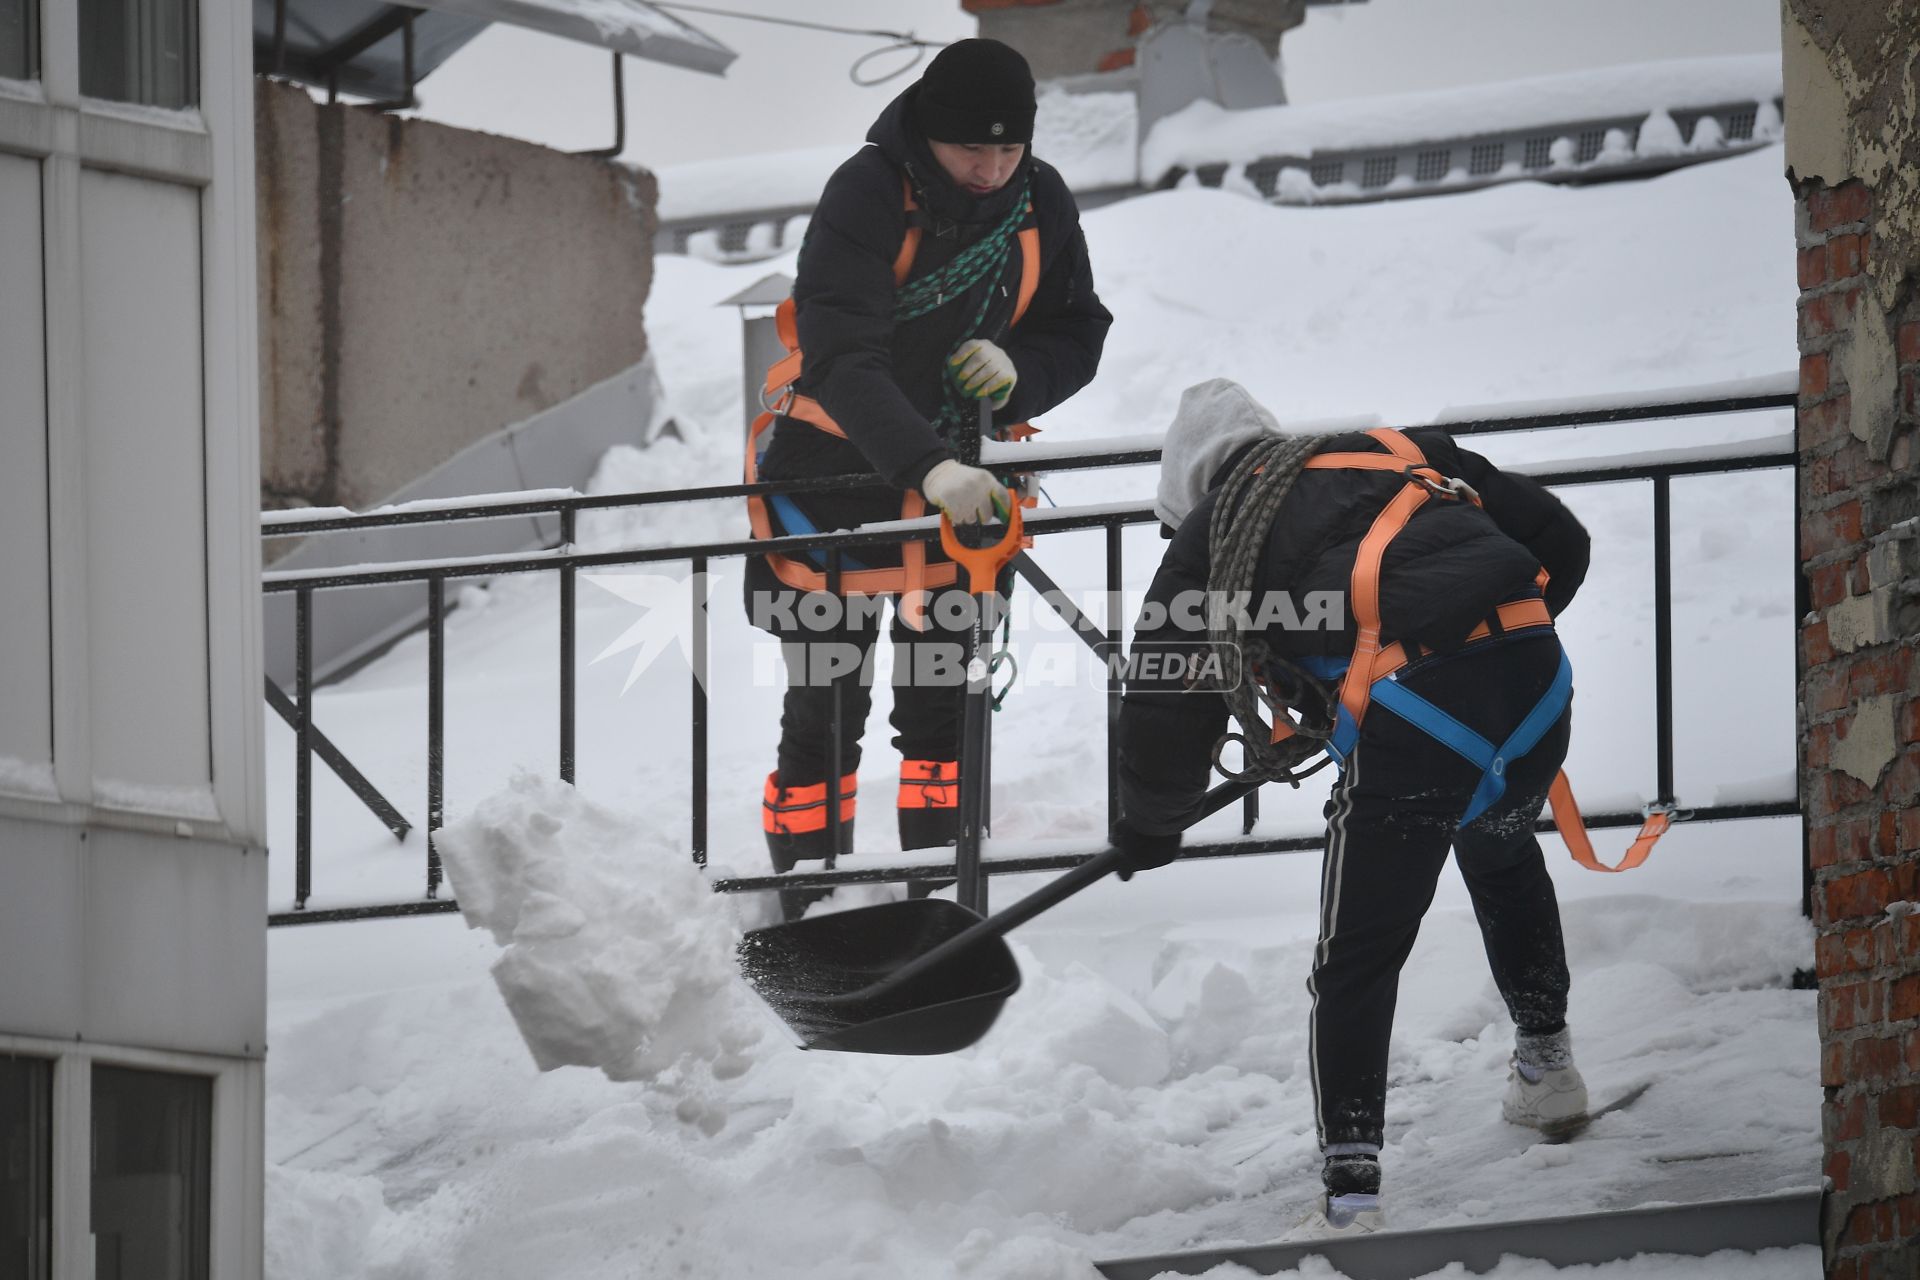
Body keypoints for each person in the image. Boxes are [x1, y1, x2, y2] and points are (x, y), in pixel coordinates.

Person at [1110, 379, 1593, 1236]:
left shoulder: (1211, 534)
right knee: (1501, 849)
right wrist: (1487, 645)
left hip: (1416, 718)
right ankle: (1548, 1069)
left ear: (1188, 488)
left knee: (1359, 951)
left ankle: (1352, 1189)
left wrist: (1148, 826)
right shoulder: (1401, 451)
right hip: (1535, 687)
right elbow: (1562, 539)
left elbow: (1163, 709)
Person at [745, 38, 1111, 919]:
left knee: (945, 703)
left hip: (967, 495)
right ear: (927, 135)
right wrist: (929, 466)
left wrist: (1019, 366)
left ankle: (942, 897)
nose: (990, 169)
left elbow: (1080, 328)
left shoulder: (1041, 200)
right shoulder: (867, 191)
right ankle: (807, 896)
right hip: (830, 484)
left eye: (1008, 149)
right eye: (970, 150)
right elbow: (841, 355)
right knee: (825, 702)